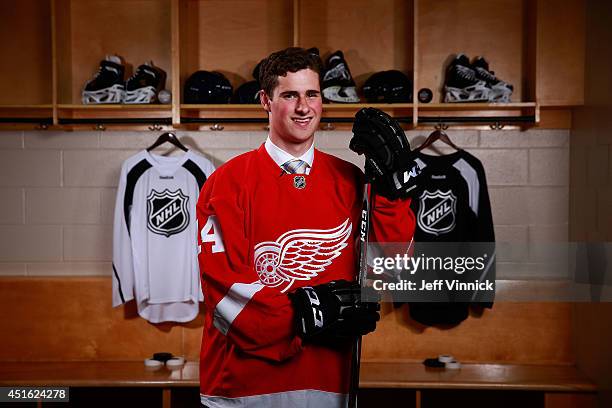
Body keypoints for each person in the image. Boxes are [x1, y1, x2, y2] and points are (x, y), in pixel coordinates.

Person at [196, 47, 416, 408]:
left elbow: (392, 264)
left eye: (312, 94)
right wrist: (306, 312)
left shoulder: (351, 180)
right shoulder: (226, 184)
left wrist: (391, 194)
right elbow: (224, 293)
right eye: (289, 95)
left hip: (331, 386)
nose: (303, 107)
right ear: (265, 101)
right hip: (242, 390)